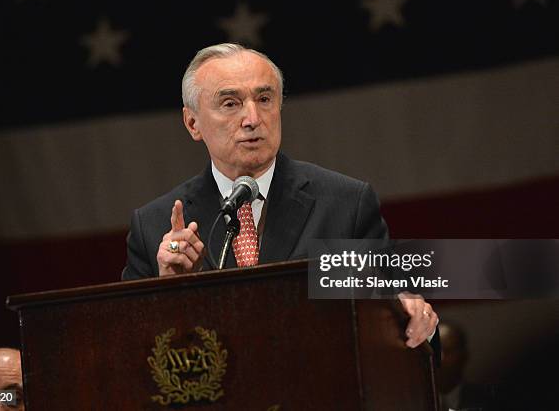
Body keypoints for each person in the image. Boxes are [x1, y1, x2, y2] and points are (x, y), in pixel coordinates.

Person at [122, 43, 438, 348]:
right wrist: (165, 291)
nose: (253, 119)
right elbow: (129, 351)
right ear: (192, 123)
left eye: (264, 99)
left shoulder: (345, 204)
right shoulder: (153, 227)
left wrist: (415, 320)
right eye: (230, 103)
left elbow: (402, 320)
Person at [437, 321, 495, 410]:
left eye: (448, 351)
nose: (441, 358)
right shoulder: (415, 400)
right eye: (436, 353)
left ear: (464, 356)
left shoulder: (488, 398)